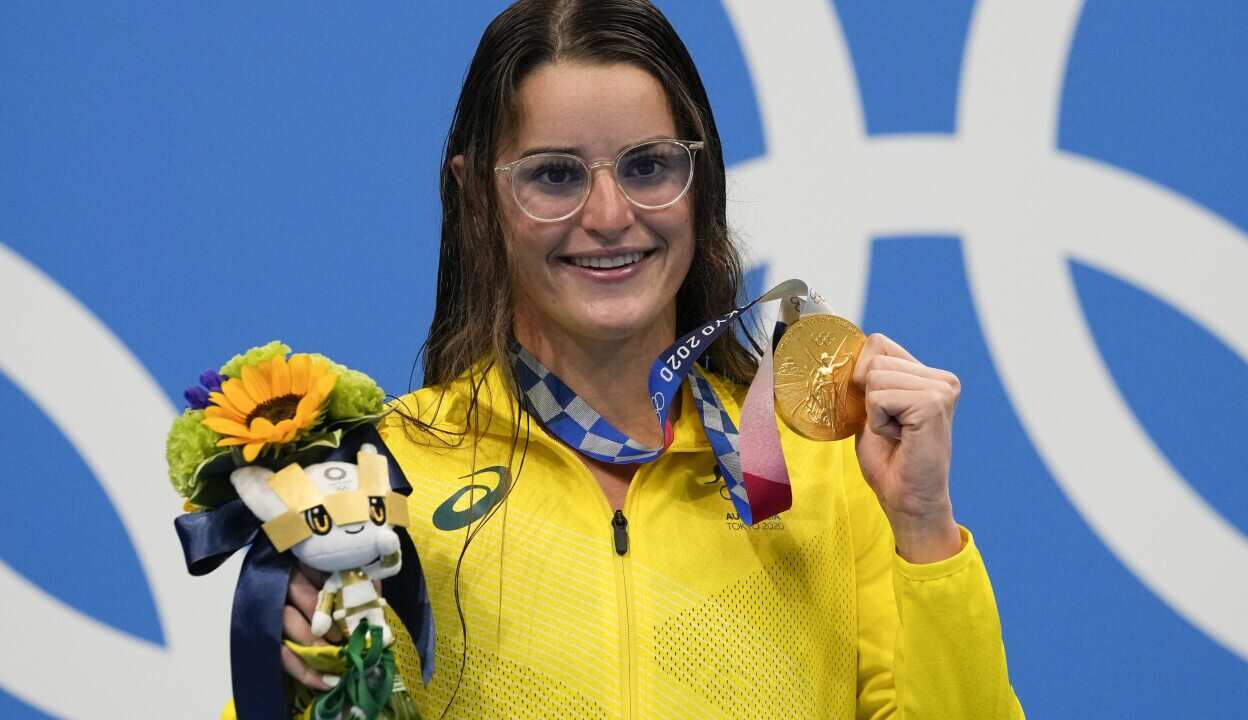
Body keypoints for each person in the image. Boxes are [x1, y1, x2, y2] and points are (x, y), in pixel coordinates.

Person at [282, 1, 1024, 717]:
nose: (610, 216)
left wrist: (923, 528)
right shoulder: (383, 484)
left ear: (699, 184)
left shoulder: (819, 472)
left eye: (648, 167)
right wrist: (298, 679)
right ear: (479, 197)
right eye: (555, 174)